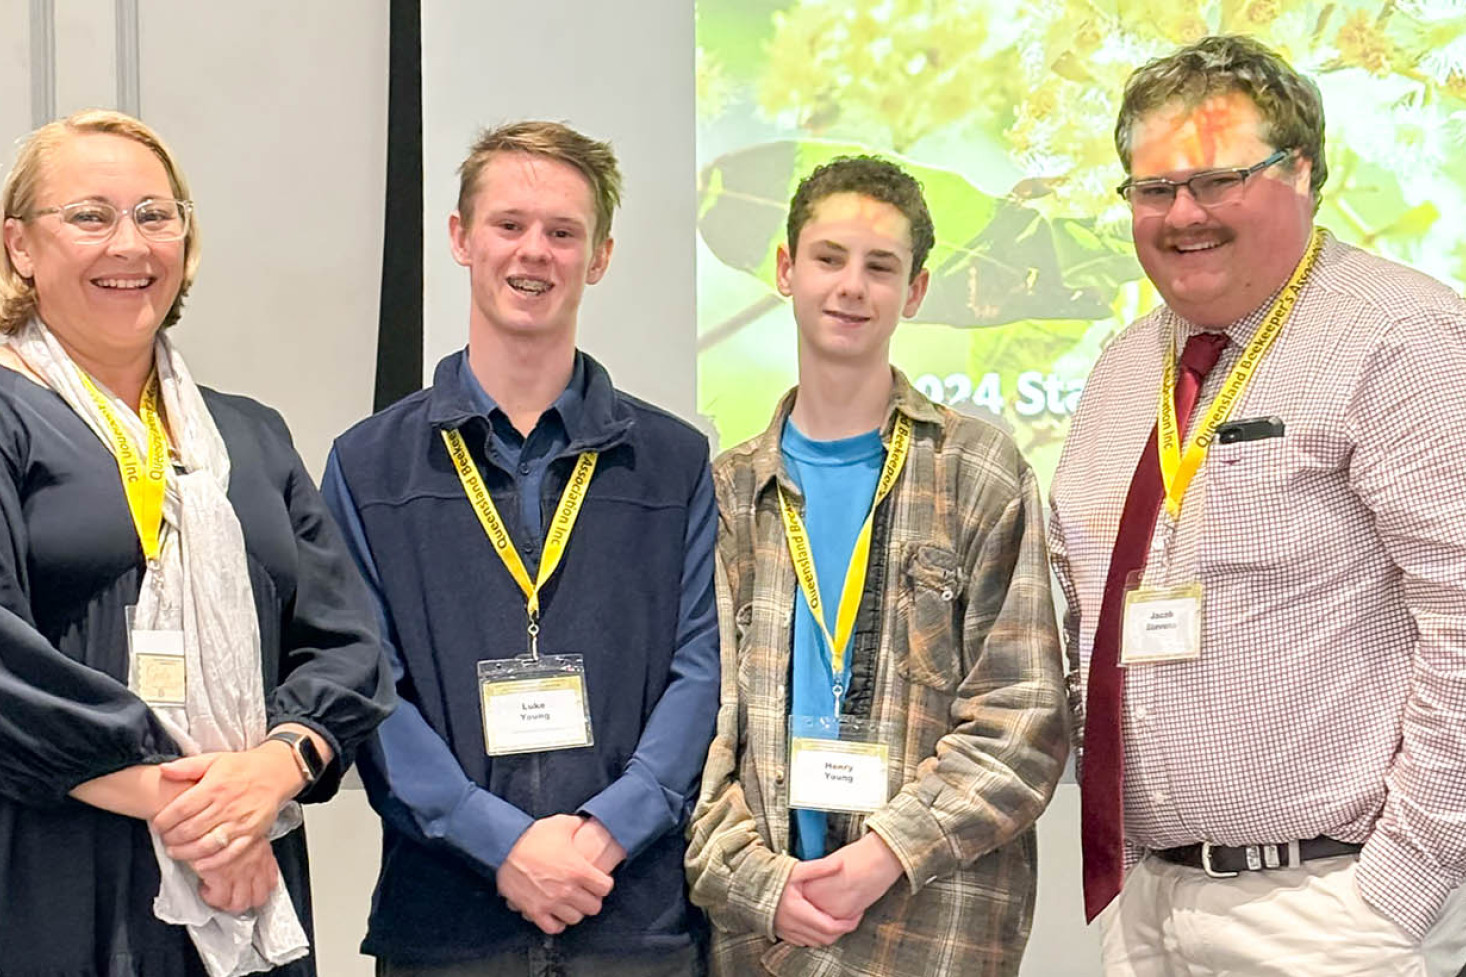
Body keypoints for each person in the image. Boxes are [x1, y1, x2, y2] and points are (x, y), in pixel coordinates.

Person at [1048, 34, 1466, 976]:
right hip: (1146, 901)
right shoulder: (1123, 369)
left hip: (1331, 906)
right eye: (1153, 189)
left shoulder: (1403, 336)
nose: (1183, 213)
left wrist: (1407, 876)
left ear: (1304, 171)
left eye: (1219, 178)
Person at [0, 109, 393, 977]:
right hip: (55, 866)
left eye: (154, 214)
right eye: (90, 216)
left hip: (248, 869)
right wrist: (200, 813)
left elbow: (349, 649)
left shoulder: (249, 434)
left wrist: (272, 772)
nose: (129, 244)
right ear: (19, 245)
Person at [322, 120, 720, 976]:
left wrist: (607, 832)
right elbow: (366, 681)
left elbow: (701, 668)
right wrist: (499, 841)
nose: (533, 253)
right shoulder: (369, 464)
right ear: (462, 238)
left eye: (563, 232)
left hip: (634, 916)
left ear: (600, 255)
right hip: (445, 920)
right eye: (508, 225)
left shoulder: (676, 462)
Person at [685, 156, 1068, 976]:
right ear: (786, 270)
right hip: (768, 936)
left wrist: (885, 854)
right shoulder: (725, 492)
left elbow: (1027, 715)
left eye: (880, 267)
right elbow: (695, 731)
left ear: (916, 292)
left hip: (931, 930)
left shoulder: (979, 472)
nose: (851, 286)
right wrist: (759, 881)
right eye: (828, 258)